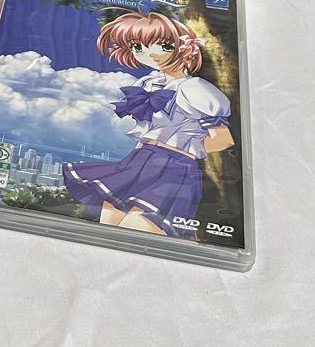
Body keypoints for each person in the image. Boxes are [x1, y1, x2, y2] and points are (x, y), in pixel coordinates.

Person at [62, 12, 233, 238]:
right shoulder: (148, 84)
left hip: (174, 168)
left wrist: (185, 148)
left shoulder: (197, 89)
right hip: (138, 161)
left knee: (135, 233)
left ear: (184, 47)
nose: (150, 54)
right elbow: (147, 131)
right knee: (107, 233)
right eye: (137, 47)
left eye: (163, 45)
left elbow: (223, 140)